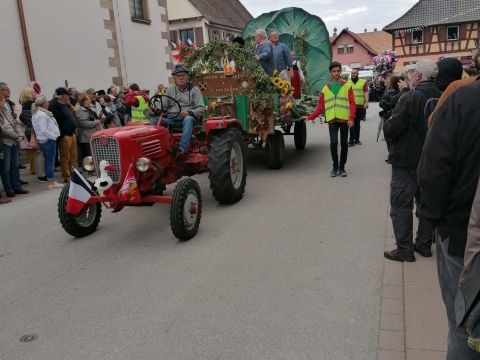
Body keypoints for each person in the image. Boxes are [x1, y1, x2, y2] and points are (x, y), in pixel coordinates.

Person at [418, 79, 480, 359]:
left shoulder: (462, 99)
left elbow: (433, 170)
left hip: (462, 237)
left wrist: (432, 219)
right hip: (463, 230)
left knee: (464, 326)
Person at [383, 60, 442, 262]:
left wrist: (388, 124)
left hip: (407, 159)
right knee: (425, 203)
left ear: (418, 76)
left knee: (401, 204)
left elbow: (392, 128)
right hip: (431, 159)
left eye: (412, 72)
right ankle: (424, 245)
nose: (410, 75)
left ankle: (404, 250)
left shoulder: (411, 97)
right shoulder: (442, 95)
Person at [305, 61, 355, 177]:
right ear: (330, 73)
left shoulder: (347, 86)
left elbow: (352, 104)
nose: (336, 73)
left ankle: (342, 168)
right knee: (333, 143)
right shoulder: (325, 89)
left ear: (340, 71)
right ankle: (335, 166)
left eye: (338, 71)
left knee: (344, 144)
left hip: (344, 119)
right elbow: (320, 107)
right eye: (334, 71)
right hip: (332, 120)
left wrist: (351, 118)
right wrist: (309, 117)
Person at [162, 65, 206, 154]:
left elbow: (202, 108)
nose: (181, 78)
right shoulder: (170, 90)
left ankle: (182, 148)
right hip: (173, 118)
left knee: (188, 119)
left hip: (190, 119)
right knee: (155, 120)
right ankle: (161, 148)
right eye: (178, 75)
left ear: (187, 76)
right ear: (174, 77)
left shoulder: (194, 89)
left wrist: (188, 113)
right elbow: (163, 105)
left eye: (183, 75)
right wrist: (155, 109)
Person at [0, 92, 29, 197]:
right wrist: (15, 136)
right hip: (5, 142)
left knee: (15, 166)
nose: (4, 103)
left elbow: (13, 123)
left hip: (14, 141)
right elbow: (2, 131)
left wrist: (17, 135)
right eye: (2, 101)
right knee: (6, 168)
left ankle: (17, 187)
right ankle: (9, 189)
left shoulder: (6, 110)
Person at [31, 96, 62, 189]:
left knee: (49, 161)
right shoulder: (42, 115)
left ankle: (51, 181)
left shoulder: (37, 113)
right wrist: (53, 136)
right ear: (44, 104)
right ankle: (51, 182)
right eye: (47, 102)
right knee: (50, 162)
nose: (48, 103)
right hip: (47, 140)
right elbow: (43, 129)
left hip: (44, 140)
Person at [49, 87, 78, 183]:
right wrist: (61, 133)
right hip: (64, 134)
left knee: (73, 155)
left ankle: (74, 173)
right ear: (63, 96)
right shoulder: (54, 105)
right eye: (67, 96)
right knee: (65, 157)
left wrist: (69, 104)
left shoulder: (65, 104)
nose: (69, 97)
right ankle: (67, 175)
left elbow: (74, 112)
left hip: (71, 133)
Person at [19, 87, 47, 182]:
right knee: (40, 153)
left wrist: (28, 122)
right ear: (28, 94)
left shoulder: (24, 106)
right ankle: (41, 175)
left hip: (29, 130)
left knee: (36, 153)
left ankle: (37, 171)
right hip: (35, 130)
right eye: (32, 92)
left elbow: (21, 117)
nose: (35, 93)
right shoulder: (33, 105)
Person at [76, 92, 102, 162]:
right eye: (88, 99)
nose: (90, 100)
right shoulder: (81, 110)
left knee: (94, 156)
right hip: (86, 137)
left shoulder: (88, 109)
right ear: (83, 101)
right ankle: (88, 172)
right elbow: (82, 123)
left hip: (91, 135)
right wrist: (96, 122)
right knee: (89, 158)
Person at [347, 69, 369, 146]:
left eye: (355, 73)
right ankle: (351, 140)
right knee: (351, 123)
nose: (353, 74)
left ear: (358, 74)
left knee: (357, 124)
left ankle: (357, 140)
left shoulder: (363, 82)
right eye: (352, 73)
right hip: (350, 106)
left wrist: (366, 102)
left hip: (359, 106)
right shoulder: (348, 82)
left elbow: (366, 92)